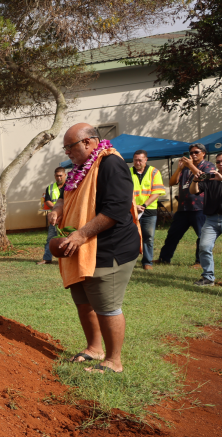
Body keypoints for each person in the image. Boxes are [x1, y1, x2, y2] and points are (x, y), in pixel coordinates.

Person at [49, 123, 140, 374]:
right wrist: (58, 208)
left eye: (69, 146)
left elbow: (115, 210)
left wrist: (81, 234)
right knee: (83, 300)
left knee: (106, 305)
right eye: (65, 148)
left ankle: (113, 361)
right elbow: (64, 194)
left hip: (110, 248)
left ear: (88, 142)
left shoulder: (110, 164)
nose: (67, 152)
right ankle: (94, 348)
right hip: (81, 248)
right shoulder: (78, 168)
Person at [157, 143, 213, 266]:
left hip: (199, 208)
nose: (193, 155)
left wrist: (190, 165)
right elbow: (172, 182)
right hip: (183, 207)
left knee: (202, 236)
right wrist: (179, 168)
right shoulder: (185, 168)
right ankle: (164, 259)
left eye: (196, 152)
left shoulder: (208, 165)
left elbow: (203, 177)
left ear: (203, 153)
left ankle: (199, 262)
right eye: (191, 153)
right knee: (173, 234)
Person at [130, 150, 166, 271]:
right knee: (131, 236)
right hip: (132, 209)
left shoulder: (154, 172)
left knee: (148, 237)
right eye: (135, 160)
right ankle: (130, 261)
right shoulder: (128, 172)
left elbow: (157, 192)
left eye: (140, 160)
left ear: (146, 160)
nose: (137, 162)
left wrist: (144, 205)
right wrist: (134, 206)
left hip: (149, 210)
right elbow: (124, 191)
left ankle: (147, 262)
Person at [192, 154, 222, 287]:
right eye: (218, 162)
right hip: (211, 219)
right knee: (204, 246)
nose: (220, 164)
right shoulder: (211, 177)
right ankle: (208, 277)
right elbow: (193, 191)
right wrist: (195, 180)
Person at [38, 167, 66, 265]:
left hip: (67, 216)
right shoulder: (50, 188)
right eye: (57, 176)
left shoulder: (70, 186)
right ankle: (47, 258)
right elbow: (47, 201)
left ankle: (67, 259)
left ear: (65, 175)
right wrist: (57, 209)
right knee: (50, 238)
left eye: (60, 176)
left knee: (69, 236)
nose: (59, 178)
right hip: (54, 218)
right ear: (54, 176)